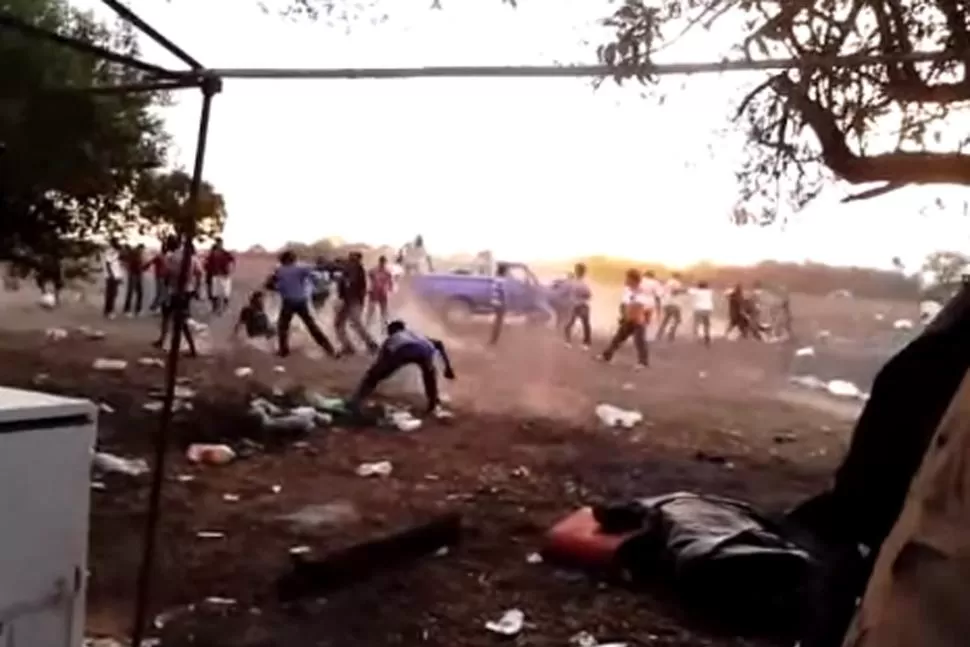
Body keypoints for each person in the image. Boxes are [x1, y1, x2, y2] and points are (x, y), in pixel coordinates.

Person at [348, 319, 456, 415]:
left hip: (403, 350)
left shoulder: (392, 339)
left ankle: (356, 401)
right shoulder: (416, 333)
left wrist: (375, 373)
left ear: (392, 331)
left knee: (372, 376)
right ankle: (433, 403)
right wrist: (448, 368)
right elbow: (439, 344)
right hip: (425, 350)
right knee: (429, 374)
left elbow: (381, 361)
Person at [272, 250, 337, 358]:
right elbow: (315, 274)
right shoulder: (300, 268)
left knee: (283, 327)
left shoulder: (280, 270)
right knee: (311, 326)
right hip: (301, 301)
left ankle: (283, 351)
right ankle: (329, 349)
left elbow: (276, 285)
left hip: (288, 301)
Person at [152, 236, 202, 357]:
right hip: (187, 291)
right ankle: (191, 348)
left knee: (167, 317)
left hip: (173, 291)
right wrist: (197, 289)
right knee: (182, 320)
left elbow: (165, 274)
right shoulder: (192, 258)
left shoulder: (171, 257)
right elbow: (199, 273)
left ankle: (165, 341)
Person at [600, 268, 650, 368]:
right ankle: (606, 356)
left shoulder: (641, 292)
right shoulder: (628, 290)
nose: (626, 280)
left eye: (628, 278)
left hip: (637, 321)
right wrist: (623, 316)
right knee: (617, 339)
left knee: (639, 342)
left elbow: (639, 307)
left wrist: (632, 317)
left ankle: (643, 362)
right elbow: (625, 304)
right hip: (628, 319)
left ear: (633, 279)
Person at [334, 251, 379, 355]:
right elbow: (344, 286)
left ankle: (370, 344)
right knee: (341, 324)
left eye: (352, 258)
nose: (350, 260)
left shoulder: (358, 269)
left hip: (353, 301)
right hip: (348, 301)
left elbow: (354, 286)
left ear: (358, 259)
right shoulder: (350, 270)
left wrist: (359, 301)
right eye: (350, 258)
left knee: (355, 323)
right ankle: (348, 346)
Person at [564, 262, 592, 349]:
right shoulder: (579, 282)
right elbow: (588, 295)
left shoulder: (576, 282)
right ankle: (583, 343)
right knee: (583, 324)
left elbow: (588, 295)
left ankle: (570, 341)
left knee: (576, 323)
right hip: (579, 305)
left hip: (578, 305)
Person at [206, 237, 235, 315]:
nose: (219, 245)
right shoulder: (213, 254)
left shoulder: (225, 253)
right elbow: (208, 264)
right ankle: (216, 308)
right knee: (216, 293)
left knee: (225, 293)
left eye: (220, 243)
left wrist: (230, 270)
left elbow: (232, 261)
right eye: (218, 243)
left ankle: (224, 308)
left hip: (224, 275)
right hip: (216, 275)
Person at [656, 272, 688, 341]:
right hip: (674, 303)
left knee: (666, 319)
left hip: (666, 303)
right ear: (678, 276)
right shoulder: (676, 282)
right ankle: (671, 333)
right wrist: (684, 291)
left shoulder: (667, 282)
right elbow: (675, 291)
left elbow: (663, 293)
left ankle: (659, 334)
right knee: (678, 320)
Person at [366, 255, 394, 329]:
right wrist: (370, 287)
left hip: (382, 293)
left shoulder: (387, 272)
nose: (382, 263)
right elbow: (369, 277)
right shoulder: (374, 270)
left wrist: (390, 289)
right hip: (375, 292)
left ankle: (383, 327)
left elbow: (391, 282)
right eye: (382, 261)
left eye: (383, 262)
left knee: (383, 311)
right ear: (380, 261)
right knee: (371, 310)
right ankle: (367, 325)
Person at [101, 238, 124, 319]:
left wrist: (119, 276)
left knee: (113, 294)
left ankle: (108, 310)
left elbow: (117, 265)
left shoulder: (116, 252)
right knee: (111, 294)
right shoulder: (111, 251)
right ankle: (109, 311)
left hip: (115, 276)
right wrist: (112, 275)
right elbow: (108, 263)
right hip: (112, 276)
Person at [123, 243, 146, 316]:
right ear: (140, 248)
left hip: (136, 275)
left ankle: (136, 309)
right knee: (132, 292)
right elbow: (136, 265)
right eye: (142, 250)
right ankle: (129, 309)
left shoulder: (137, 254)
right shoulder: (135, 255)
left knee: (137, 293)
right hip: (134, 274)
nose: (143, 251)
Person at [489, 262, 509, 346]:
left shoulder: (496, 279)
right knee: (499, 322)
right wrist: (505, 303)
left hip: (494, 301)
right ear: (504, 271)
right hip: (500, 303)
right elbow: (503, 293)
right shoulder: (503, 281)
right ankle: (494, 340)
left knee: (497, 321)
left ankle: (493, 339)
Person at [690, 280, 714, 346]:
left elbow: (686, 291)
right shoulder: (709, 292)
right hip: (708, 309)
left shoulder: (696, 291)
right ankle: (707, 335)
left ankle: (696, 336)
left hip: (698, 309)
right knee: (706, 323)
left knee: (696, 323)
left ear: (698, 286)